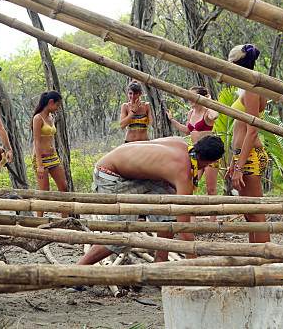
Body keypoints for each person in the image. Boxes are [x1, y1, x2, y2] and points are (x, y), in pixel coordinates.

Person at [76, 135, 224, 265]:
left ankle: (160, 262)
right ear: (209, 161)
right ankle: (76, 271)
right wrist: (196, 267)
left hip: (135, 174)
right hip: (111, 175)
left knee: (170, 207)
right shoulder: (182, 172)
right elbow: (183, 227)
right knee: (120, 239)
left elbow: (153, 162)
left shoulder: (180, 143)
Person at [225, 44, 270, 244]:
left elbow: (252, 132)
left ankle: (265, 259)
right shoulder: (249, 85)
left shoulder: (252, 88)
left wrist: (240, 167)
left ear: (235, 65)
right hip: (245, 156)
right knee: (250, 214)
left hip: (250, 157)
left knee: (256, 214)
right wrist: (234, 162)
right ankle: (255, 260)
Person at [166, 86, 220, 222]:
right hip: (195, 154)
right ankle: (192, 219)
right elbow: (187, 131)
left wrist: (209, 101)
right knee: (188, 185)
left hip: (209, 153)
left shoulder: (208, 112)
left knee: (210, 189)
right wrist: (172, 120)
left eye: (192, 96)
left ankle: (212, 222)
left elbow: (216, 115)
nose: (189, 99)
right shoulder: (191, 113)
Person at [119, 81, 154, 221]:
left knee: (144, 176)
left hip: (144, 143)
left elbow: (154, 123)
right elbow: (122, 125)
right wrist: (132, 112)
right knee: (128, 176)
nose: (132, 97)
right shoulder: (125, 106)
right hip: (129, 144)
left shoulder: (147, 106)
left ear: (140, 93)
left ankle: (142, 213)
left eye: (134, 94)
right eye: (130, 94)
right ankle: (128, 210)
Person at [32, 91, 68, 218]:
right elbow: (36, 142)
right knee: (44, 192)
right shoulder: (38, 118)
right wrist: (40, 165)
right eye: (57, 105)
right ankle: (39, 221)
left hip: (53, 157)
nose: (57, 109)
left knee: (64, 187)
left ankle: (65, 220)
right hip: (41, 158)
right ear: (50, 102)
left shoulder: (51, 118)